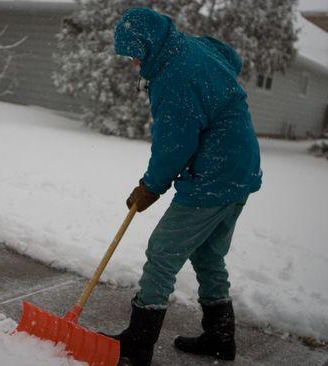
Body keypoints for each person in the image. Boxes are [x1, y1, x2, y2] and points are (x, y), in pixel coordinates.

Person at [106, 7, 262, 366]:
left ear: (148, 45)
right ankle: (220, 339)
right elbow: (229, 57)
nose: (133, 63)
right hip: (242, 167)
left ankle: (137, 345)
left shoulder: (173, 78)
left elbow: (174, 145)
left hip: (215, 173)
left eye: (134, 54)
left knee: (162, 252)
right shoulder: (190, 48)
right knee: (208, 255)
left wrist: (151, 186)